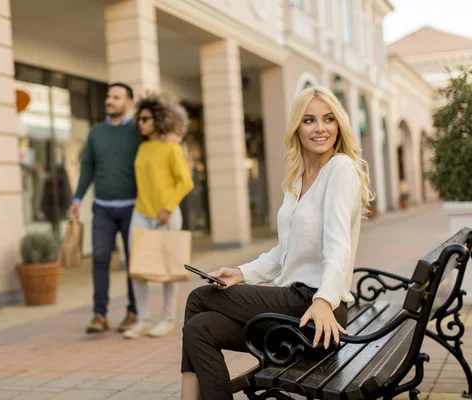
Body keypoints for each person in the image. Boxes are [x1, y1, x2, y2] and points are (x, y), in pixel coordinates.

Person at [180, 86, 374, 400]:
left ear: (339, 126)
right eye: (309, 120)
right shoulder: (297, 179)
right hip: (292, 307)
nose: (320, 128)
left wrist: (324, 300)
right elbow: (282, 253)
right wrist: (240, 273)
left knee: (198, 298)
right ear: (297, 127)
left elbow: (339, 246)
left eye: (328, 119)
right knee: (199, 327)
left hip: (314, 310)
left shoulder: (340, 169)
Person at [68, 82, 141, 334]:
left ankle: (134, 311)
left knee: (134, 261)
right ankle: (100, 315)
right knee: (99, 259)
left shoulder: (137, 131)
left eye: (116, 97)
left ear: (128, 103)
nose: (109, 100)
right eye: (108, 96)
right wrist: (77, 199)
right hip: (102, 208)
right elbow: (87, 167)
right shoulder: (96, 133)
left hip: (133, 208)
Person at [123, 93, 194, 339]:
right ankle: (142, 318)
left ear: (159, 120)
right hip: (141, 212)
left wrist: (167, 207)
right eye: (139, 119)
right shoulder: (142, 147)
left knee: (168, 266)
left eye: (146, 118)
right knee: (138, 266)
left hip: (167, 214)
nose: (141, 123)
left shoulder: (171, 148)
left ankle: (167, 318)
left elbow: (185, 182)